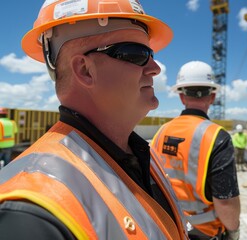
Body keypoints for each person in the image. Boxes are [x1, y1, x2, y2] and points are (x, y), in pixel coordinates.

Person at [0, 1, 188, 239]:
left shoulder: (142, 158)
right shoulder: (31, 213)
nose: (155, 68)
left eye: (150, 54)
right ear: (85, 69)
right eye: (137, 54)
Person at [151, 61, 241, 240]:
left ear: (182, 97)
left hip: (168, 227)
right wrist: (234, 231)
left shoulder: (161, 132)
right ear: (212, 97)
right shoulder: (217, 137)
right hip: (203, 233)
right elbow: (225, 202)